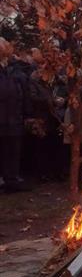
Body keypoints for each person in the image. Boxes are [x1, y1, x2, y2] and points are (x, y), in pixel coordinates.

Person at [0, 38, 31, 191]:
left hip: (14, 116)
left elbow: (25, 88)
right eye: (5, 45)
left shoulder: (14, 67)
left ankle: (12, 179)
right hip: (2, 115)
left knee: (13, 149)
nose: (8, 46)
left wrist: (27, 113)